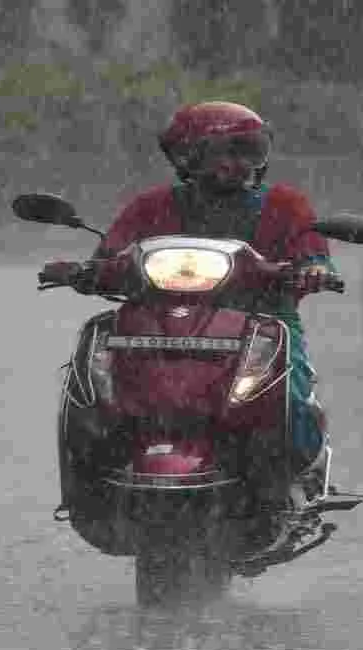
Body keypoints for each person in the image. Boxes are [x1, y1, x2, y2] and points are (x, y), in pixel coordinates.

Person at [88, 100, 339, 500]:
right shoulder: (151, 206)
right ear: (188, 156)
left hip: (262, 320)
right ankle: (96, 476)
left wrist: (314, 267)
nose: (239, 164)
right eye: (226, 152)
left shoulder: (285, 206)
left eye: (250, 151)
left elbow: (311, 247)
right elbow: (112, 252)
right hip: (160, 322)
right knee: (98, 376)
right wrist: (87, 269)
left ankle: (296, 474)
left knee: (285, 388)